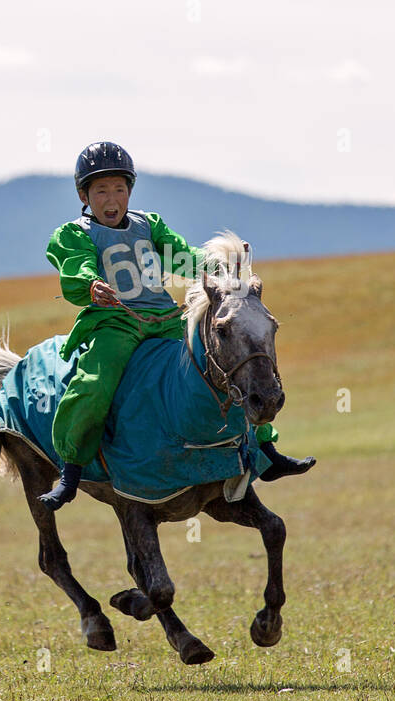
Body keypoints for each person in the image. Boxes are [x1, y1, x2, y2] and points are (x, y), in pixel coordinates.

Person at [39, 141, 315, 511]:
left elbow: (185, 257)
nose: (111, 198)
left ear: (129, 191)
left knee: (222, 369)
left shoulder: (148, 225)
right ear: (83, 195)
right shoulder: (75, 234)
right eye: (100, 189)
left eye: (119, 188)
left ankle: (265, 450)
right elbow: (75, 265)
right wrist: (90, 283)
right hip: (115, 323)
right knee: (95, 384)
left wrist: (220, 259)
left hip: (166, 319)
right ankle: (71, 470)